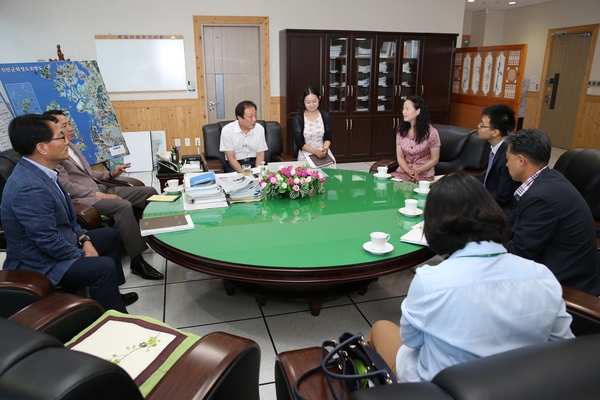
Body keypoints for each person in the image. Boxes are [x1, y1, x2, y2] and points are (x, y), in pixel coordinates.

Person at [368, 173, 574, 383]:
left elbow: (410, 341)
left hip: (442, 387)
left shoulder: (430, 281)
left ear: (433, 225)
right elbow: (563, 344)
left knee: (381, 328)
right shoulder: (543, 277)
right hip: (520, 386)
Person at [1, 114, 137, 312]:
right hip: (41, 262)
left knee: (110, 236)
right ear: (42, 147)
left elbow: (68, 219)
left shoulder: (45, 172)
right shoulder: (29, 187)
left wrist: (85, 239)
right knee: (103, 266)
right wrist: (81, 253)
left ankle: (110, 295)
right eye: (60, 137)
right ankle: (115, 318)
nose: (67, 142)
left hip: (61, 243)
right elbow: (46, 240)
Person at [43, 110, 163, 281]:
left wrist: (110, 174)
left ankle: (159, 237)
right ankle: (137, 260)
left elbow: (88, 173)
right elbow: (67, 186)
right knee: (122, 206)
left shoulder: (72, 147)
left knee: (148, 192)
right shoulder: (55, 155)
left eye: (69, 123)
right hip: (85, 198)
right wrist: (99, 194)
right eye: (64, 126)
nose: (70, 128)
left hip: (100, 188)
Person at [504, 129, 600, 295]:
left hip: (567, 284)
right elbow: (516, 216)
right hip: (564, 264)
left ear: (521, 160)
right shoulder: (549, 178)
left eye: (507, 159)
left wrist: (481, 240)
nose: (506, 165)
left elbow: (517, 254)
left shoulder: (540, 198)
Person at [478, 104, 520, 214]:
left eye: (482, 125)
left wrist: (478, 203)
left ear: (495, 132)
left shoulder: (508, 156)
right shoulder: (492, 146)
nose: (478, 126)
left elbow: (503, 195)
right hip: (489, 200)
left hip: (502, 210)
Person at [390, 95, 440, 183]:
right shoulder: (401, 131)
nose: (403, 112)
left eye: (407, 109)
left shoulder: (431, 132)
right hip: (403, 172)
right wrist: (408, 171)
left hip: (423, 175)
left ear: (418, 111)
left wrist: (418, 171)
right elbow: (400, 157)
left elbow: (435, 159)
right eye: (403, 108)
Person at [219, 100, 268, 173]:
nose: (254, 119)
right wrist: (244, 174)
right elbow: (231, 158)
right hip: (235, 165)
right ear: (239, 117)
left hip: (254, 163)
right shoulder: (227, 130)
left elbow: (260, 154)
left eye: (255, 115)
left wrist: (258, 173)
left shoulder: (259, 129)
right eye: (250, 117)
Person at [291, 86, 332, 161]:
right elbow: (299, 143)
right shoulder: (299, 118)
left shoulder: (325, 116)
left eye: (314, 101)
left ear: (319, 99)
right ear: (303, 102)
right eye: (308, 102)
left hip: (323, 152)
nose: (312, 105)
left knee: (330, 169)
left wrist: (325, 150)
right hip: (306, 153)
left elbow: (328, 138)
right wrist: (315, 152)